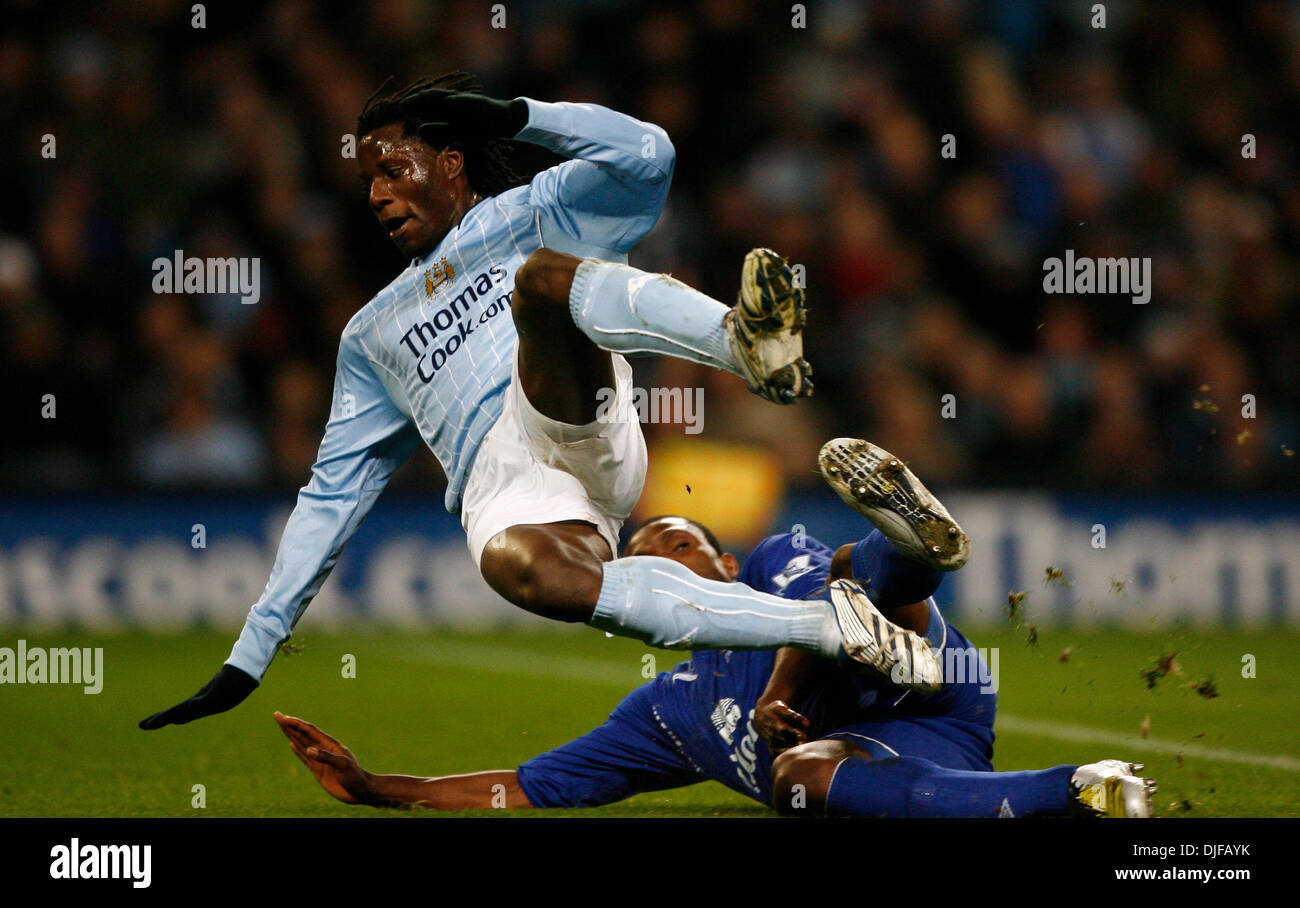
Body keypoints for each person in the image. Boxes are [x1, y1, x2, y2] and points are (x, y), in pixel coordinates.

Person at [140, 72, 960, 731]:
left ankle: (742, 345)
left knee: (541, 279)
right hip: (511, 494)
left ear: (451, 164)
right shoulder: (370, 335)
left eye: (394, 169)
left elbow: (648, 154)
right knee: (516, 568)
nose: (377, 194)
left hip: (576, 411)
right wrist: (252, 652)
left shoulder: (531, 212)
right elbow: (332, 495)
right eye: (366, 181)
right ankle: (836, 628)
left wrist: (515, 115)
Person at [274, 440, 1156, 818]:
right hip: (891, 757)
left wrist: (778, 692)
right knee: (800, 783)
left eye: (684, 547)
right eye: (647, 562)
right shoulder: (664, 712)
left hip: (928, 687)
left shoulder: (772, 559)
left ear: (723, 564)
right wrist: (383, 789)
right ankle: (1081, 791)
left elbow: (823, 614)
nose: (664, 559)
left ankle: (914, 542)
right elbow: (532, 787)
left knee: (852, 582)